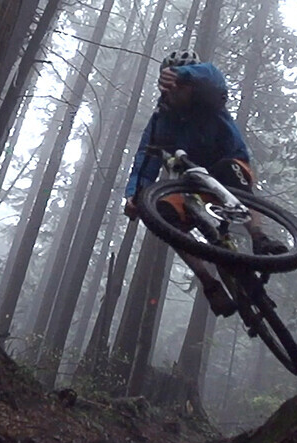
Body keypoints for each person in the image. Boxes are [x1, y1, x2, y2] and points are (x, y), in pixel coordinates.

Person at [122, 50, 287, 317]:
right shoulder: (161, 118)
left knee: (234, 177)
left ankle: (260, 237)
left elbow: (214, 76)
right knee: (162, 215)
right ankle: (210, 285)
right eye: (172, 86)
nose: (178, 91)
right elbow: (145, 158)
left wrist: (182, 74)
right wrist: (134, 195)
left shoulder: (210, 98)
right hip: (191, 183)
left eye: (183, 85)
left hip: (229, 166)